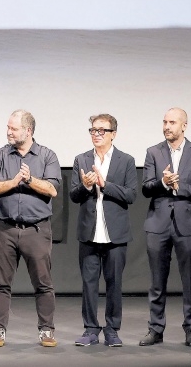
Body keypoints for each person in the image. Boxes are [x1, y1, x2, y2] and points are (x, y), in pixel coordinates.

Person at [0, 110, 61, 348]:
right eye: (8, 127)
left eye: (14, 128)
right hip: (5, 229)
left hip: (36, 230)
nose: (9, 132)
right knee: (0, 283)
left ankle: (46, 330)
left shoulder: (47, 156)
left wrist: (30, 180)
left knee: (43, 283)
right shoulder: (0, 155)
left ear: (28, 131)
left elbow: (53, 189)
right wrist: (13, 182)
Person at [139, 108, 191, 347]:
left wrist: (179, 186)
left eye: (172, 122)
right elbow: (146, 187)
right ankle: (155, 329)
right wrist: (163, 182)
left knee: (189, 280)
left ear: (184, 126)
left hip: (187, 224)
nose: (167, 126)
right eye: (164, 122)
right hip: (158, 223)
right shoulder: (153, 152)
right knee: (157, 281)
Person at [69, 114, 137, 347]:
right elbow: (74, 195)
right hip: (89, 233)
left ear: (113, 134)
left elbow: (131, 195)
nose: (96, 134)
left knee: (114, 283)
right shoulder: (81, 159)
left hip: (115, 235)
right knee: (88, 284)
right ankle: (90, 329)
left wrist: (104, 184)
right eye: (93, 130)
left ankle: (112, 330)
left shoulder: (126, 160)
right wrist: (86, 186)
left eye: (101, 130)